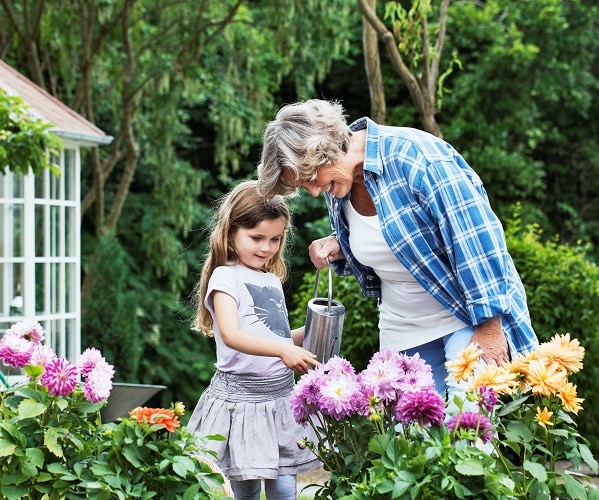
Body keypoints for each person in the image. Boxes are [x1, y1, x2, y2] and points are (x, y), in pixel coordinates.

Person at [256, 99, 539, 399]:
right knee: (408, 434)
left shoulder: (418, 158)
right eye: (304, 184)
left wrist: (491, 325)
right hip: (402, 324)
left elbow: (477, 239)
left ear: (325, 149)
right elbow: (394, 237)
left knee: (466, 423)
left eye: (312, 178)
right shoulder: (339, 181)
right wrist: (341, 244)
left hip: (464, 315)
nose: (313, 190)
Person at [187, 180, 320, 500]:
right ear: (231, 232)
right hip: (242, 399)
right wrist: (282, 349)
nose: (266, 247)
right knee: (245, 485)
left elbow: (275, 336)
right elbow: (233, 335)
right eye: (256, 238)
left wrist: (313, 331)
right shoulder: (225, 277)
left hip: (279, 397)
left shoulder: (270, 279)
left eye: (275, 239)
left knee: (284, 484)